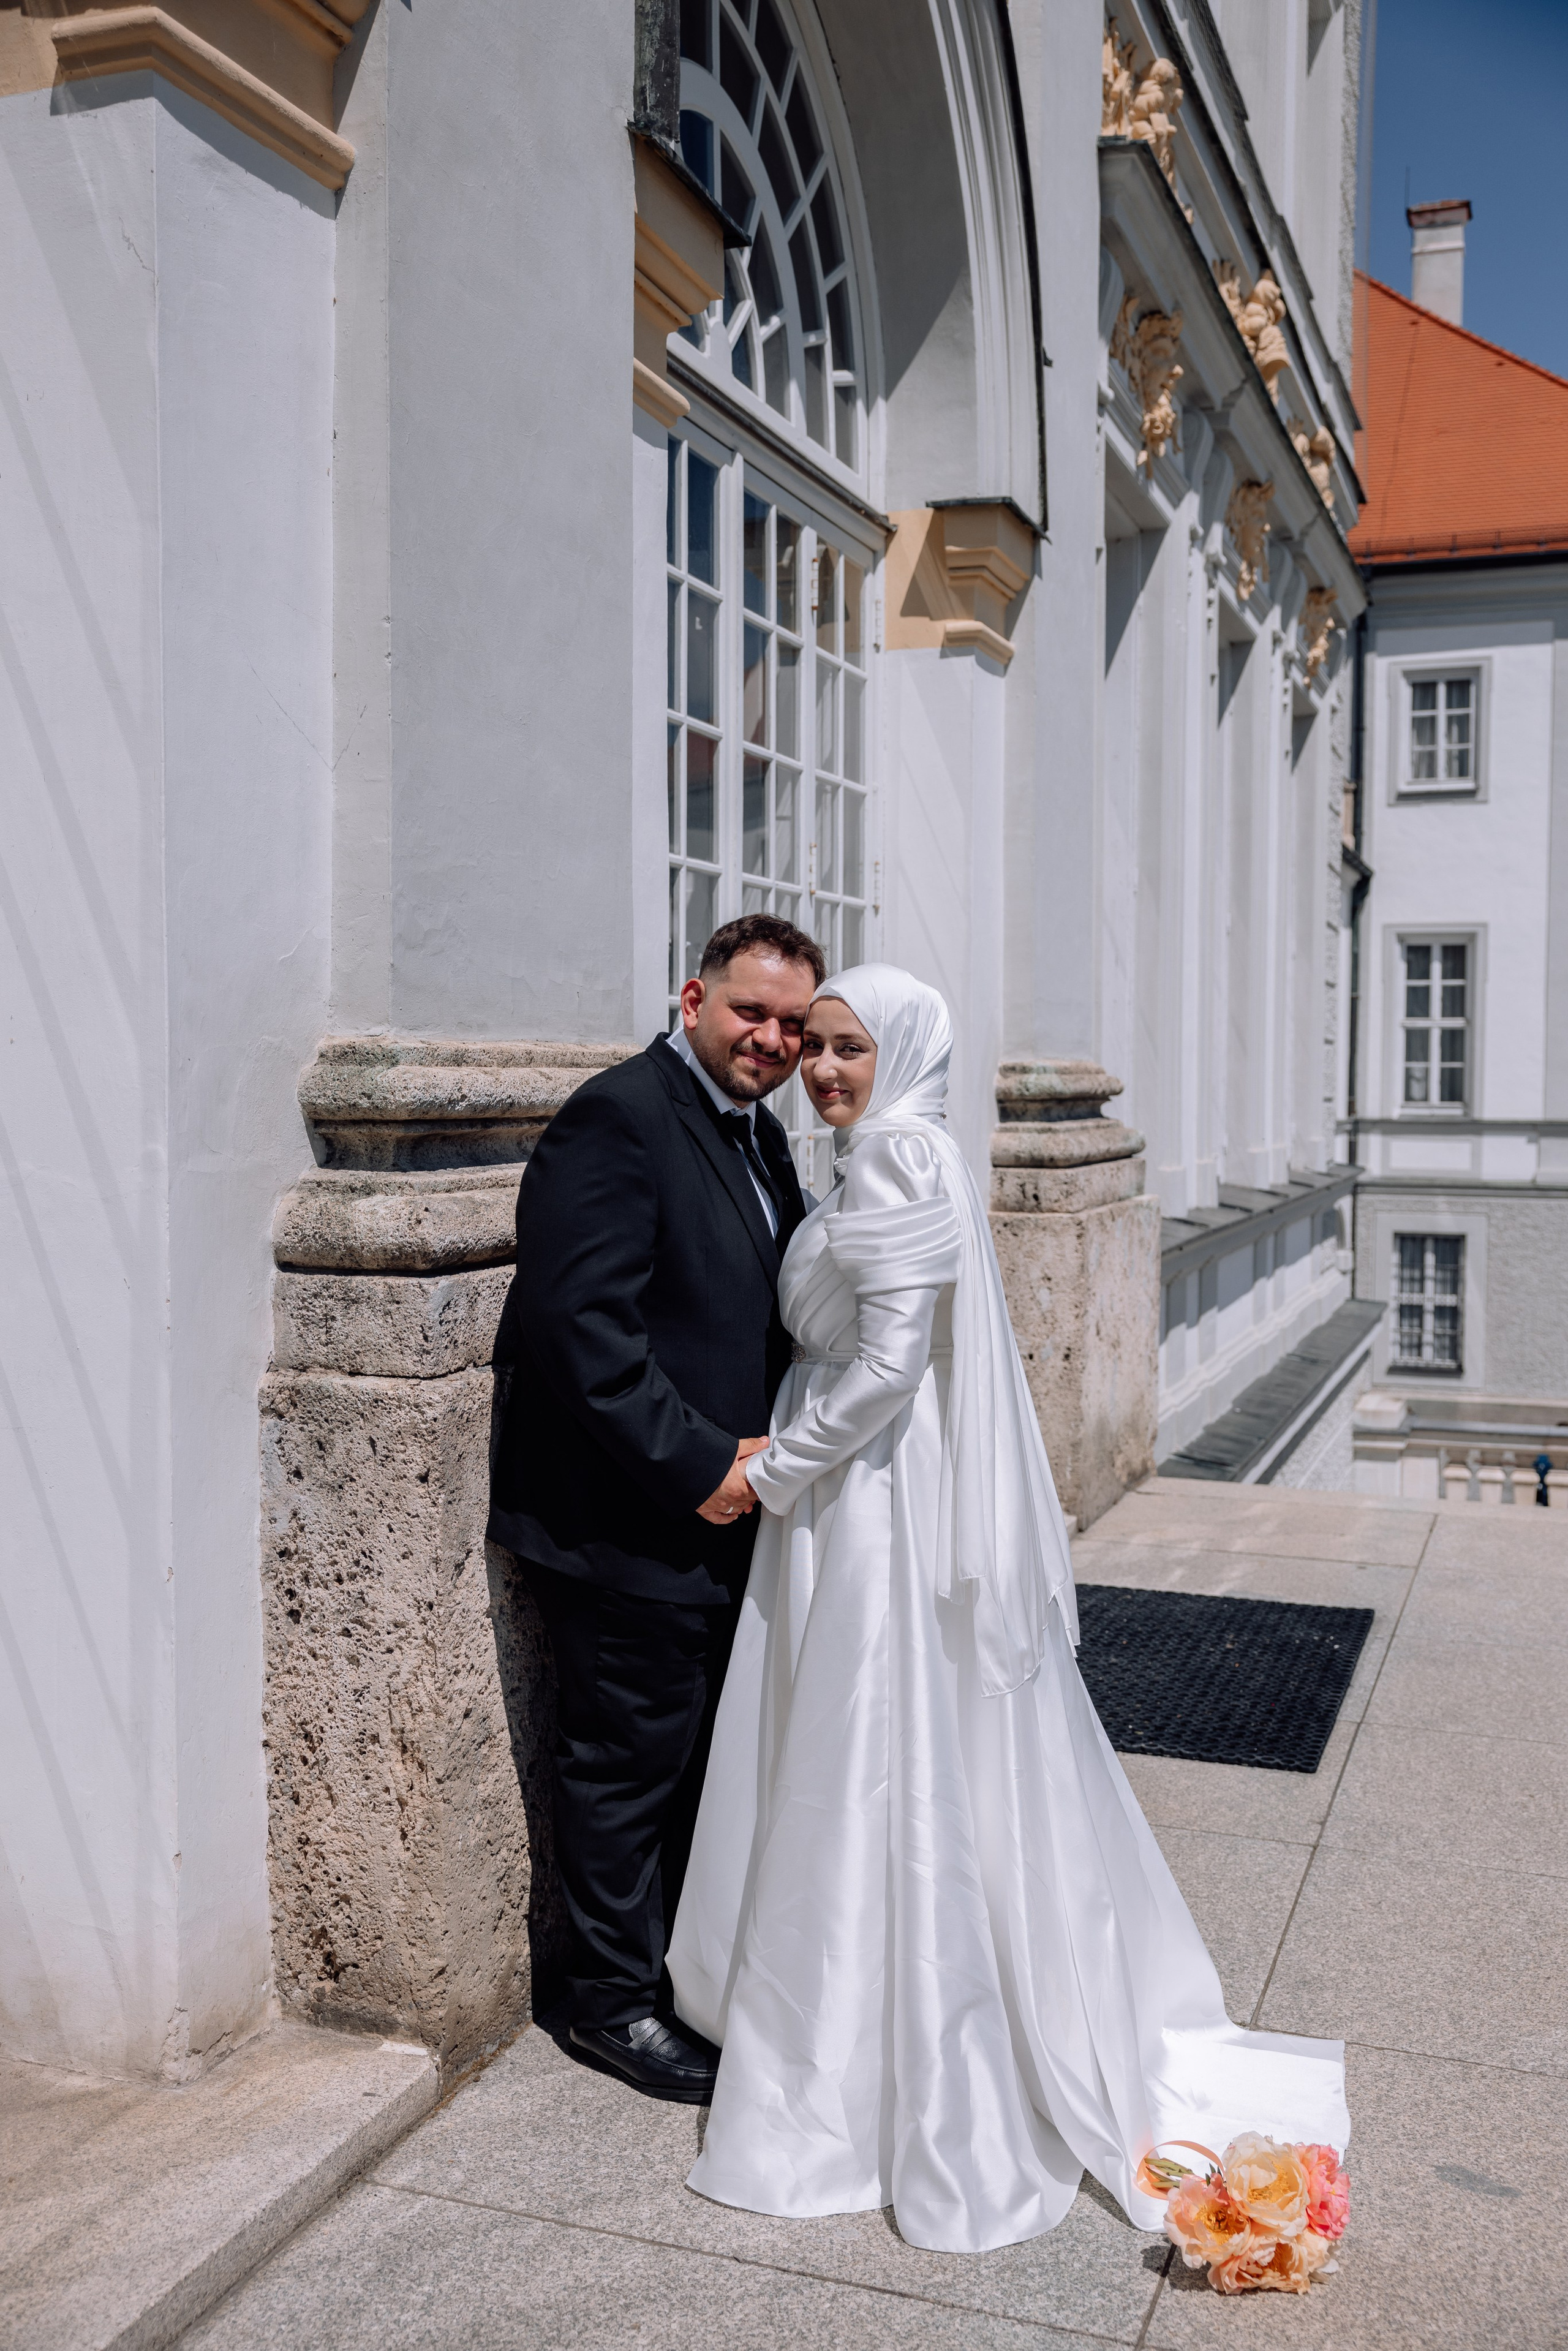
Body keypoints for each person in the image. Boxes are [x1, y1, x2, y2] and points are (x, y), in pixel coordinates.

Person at [668, 965, 1349, 2252]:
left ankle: (859, 2050)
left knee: (870, 1749)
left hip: (864, 1487)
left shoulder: (896, 1160)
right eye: (813, 1046)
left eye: (847, 1048)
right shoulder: (899, 1150)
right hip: (875, 1479)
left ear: (907, 1052)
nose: (821, 1069)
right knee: (891, 1752)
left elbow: (877, 1369)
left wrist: (770, 1469)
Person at [488, 915, 822, 2102]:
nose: (774, 1039)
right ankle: (607, 2002)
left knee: (686, 1755)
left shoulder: (760, 1135)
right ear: (693, 998)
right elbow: (581, 1333)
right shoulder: (620, 1116)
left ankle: (674, 1970)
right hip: (629, 1514)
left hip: (727, 1510)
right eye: (752, 1012)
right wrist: (701, 1465)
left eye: (792, 1023)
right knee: (623, 1761)